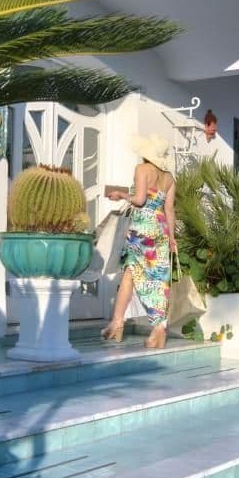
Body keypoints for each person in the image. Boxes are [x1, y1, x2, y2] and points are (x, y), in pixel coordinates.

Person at [101, 134, 177, 348]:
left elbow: (140, 200)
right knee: (158, 279)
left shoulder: (142, 169)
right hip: (160, 229)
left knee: (131, 272)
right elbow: (169, 210)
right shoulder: (169, 178)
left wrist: (121, 195)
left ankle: (117, 323)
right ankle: (158, 329)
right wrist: (172, 238)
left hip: (142, 228)